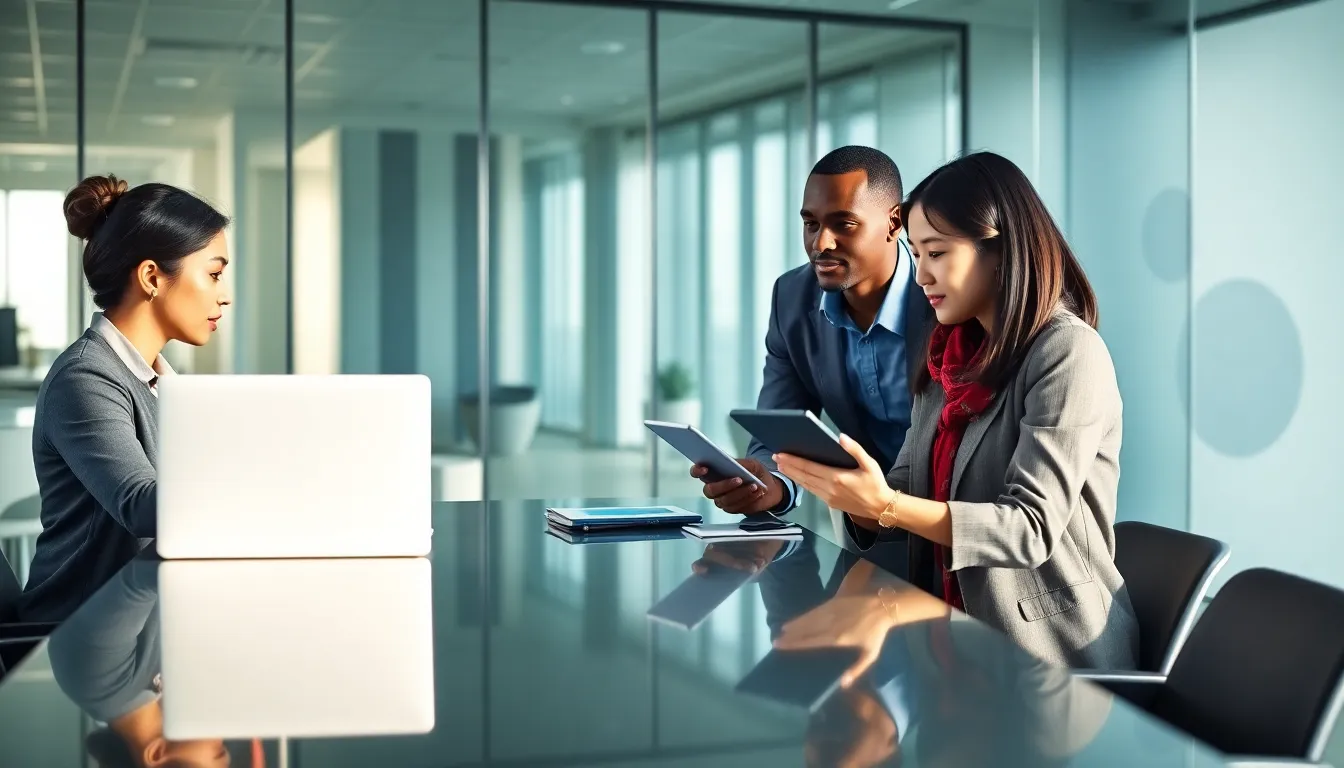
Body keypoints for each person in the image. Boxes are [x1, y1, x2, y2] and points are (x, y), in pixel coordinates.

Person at [773, 152, 1138, 670]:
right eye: (916, 254)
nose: (920, 276)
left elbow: (1027, 528)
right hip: (948, 644)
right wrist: (854, 493)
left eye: (937, 254)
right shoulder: (948, 354)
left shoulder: (1067, 352)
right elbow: (906, 487)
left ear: (1002, 251)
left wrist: (886, 506)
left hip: (1050, 656)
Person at [19, 175, 231, 623]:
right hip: (75, 637)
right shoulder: (86, 377)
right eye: (213, 274)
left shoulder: (161, 382)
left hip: (140, 625)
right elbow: (141, 505)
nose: (223, 295)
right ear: (152, 277)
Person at [694, 146, 934, 529]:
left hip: (955, 523)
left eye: (844, 224)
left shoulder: (943, 293)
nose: (821, 243)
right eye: (811, 224)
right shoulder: (791, 297)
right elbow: (780, 418)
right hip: (866, 529)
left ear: (894, 223)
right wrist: (770, 484)